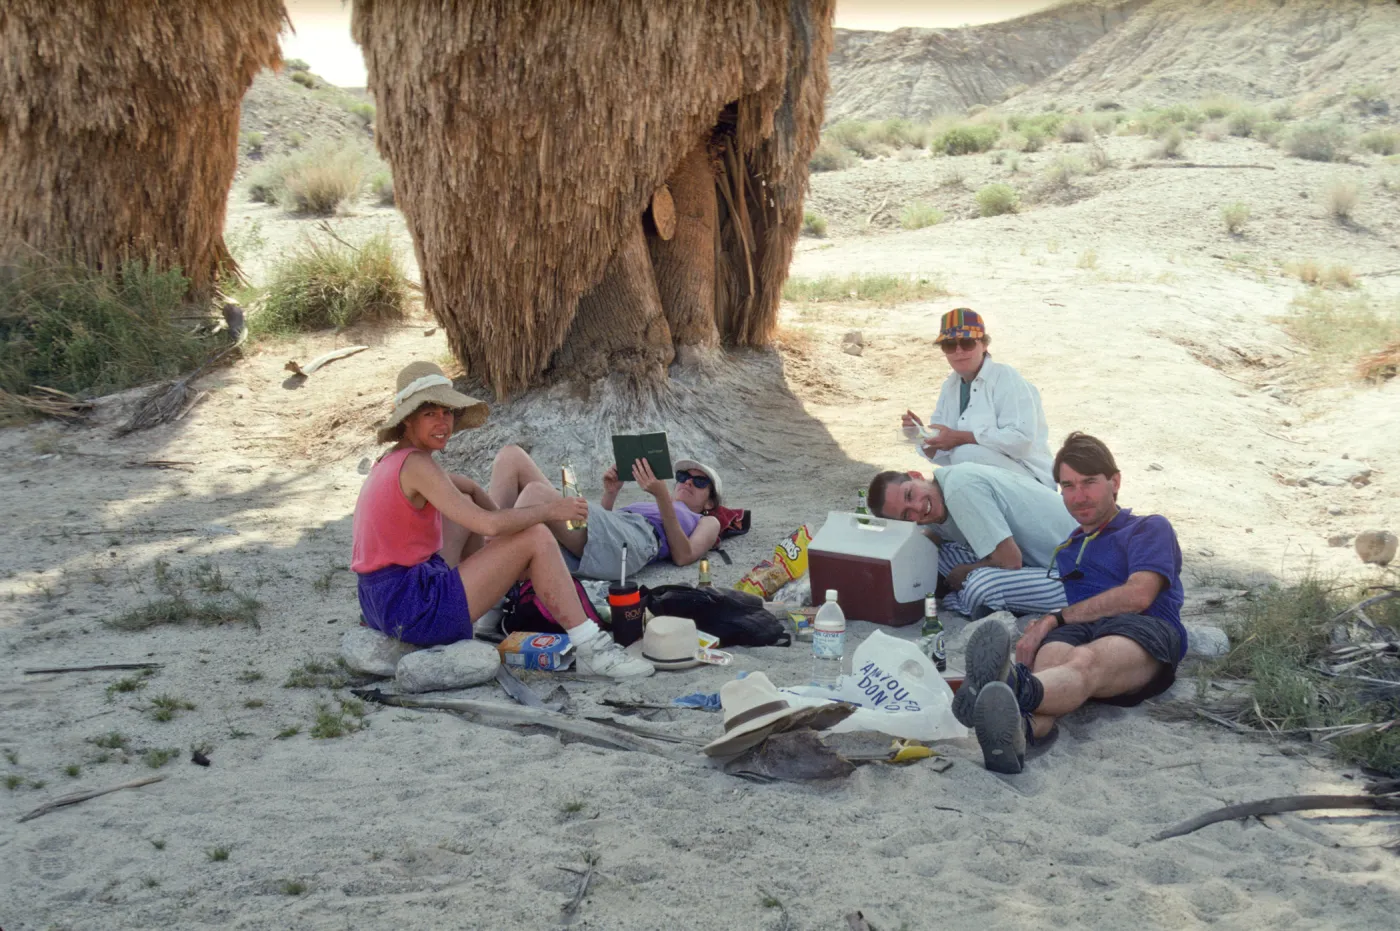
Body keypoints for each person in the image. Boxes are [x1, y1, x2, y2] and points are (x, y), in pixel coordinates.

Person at [350, 362, 653, 678]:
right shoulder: (416, 464)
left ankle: (491, 609)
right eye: (430, 414)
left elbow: (466, 493)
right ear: (407, 420)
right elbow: (489, 525)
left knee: (466, 509)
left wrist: (495, 539)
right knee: (535, 536)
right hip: (412, 605)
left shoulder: (394, 460)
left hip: (380, 600)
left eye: (447, 412)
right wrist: (551, 511)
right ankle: (594, 650)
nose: (443, 422)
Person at [958, 432, 1186, 774]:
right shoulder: (1069, 547)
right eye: (1067, 486)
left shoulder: (1148, 528)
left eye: (1089, 482)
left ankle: (1009, 687)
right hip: (1080, 630)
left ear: (1115, 482)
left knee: (1084, 661)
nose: (1078, 496)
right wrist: (1048, 625)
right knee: (1049, 674)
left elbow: (1139, 595)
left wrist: (1053, 620)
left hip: (1143, 629)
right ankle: (1021, 734)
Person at [866, 462, 1077, 619]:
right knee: (936, 552)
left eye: (909, 495)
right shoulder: (939, 493)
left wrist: (966, 571)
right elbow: (930, 538)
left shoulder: (959, 489)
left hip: (1081, 572)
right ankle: (975, 597)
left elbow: (1011, 560)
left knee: (980, 586)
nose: (918, 509)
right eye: (906, 515)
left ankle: (957, 600)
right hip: (1041, 562)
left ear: (915, 475)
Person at [488, 445, 723, 581]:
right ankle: (487, 561)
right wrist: (610, 494)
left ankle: (488, 577)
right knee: (512, 456)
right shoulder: (655, 505)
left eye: (700, 482)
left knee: (536, 494)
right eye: (683, 477)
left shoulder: (707, 520)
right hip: (612, 532)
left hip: (636, 542)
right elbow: (597, 539)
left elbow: (684, 556)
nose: (689, 483)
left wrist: (662, 497)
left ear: (710, 503)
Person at [901, 308, 1055, 488]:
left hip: (1032, 479)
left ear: (984, 344)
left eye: (967, 343)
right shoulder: (950, 386)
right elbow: (943, 454)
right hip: (987, 478)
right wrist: (921, 436)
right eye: (949, 345)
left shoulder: (1005, 377)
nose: (959, 351)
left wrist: (961, 438)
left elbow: (1020, 442)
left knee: (964, 456)